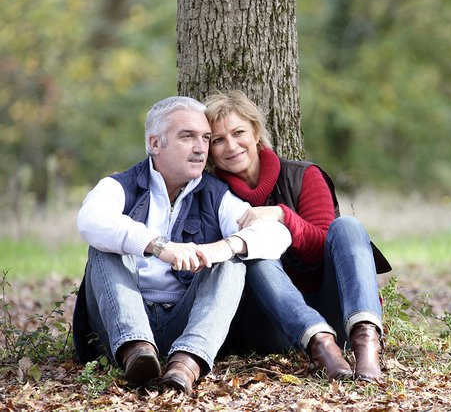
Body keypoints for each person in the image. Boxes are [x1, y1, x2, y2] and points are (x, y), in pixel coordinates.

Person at [71, 96, 291, 394]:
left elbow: (277, 235)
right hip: (119, 323)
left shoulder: (216, 195)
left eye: (205, 138)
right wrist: (159, 246)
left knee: (233, 258)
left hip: (187, 322)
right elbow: (91, 220)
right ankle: (137, 352)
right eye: (187, 137)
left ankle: (187, 363)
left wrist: (222, 248)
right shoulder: (120, 185)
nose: (201, 148)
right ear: (155, 143)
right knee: (103, 248)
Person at [203, 90, 392, 382]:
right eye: (218, 140)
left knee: (348, 228)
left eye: (238, 132)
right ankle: (320, 344)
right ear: (210, 149)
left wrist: (281, 215)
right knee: (254, 254)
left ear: (255, 131)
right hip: (272, 323)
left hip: (334, 313)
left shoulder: (304, 176)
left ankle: (366, 346)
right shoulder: (213, 195)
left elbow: (320, 251)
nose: (231, 145)